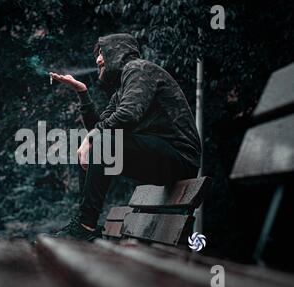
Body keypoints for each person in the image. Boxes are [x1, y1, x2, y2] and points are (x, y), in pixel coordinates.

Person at [49, 33, 201, 241]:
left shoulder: (139, 69)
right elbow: (99, 128)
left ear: (117, 51)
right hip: (163, 158)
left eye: (101, 53)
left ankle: (85, 226)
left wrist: (93, 138)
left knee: (101, 144)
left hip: (180, 157)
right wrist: (82, 92)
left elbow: (128, 116)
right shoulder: (121, 90)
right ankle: (85, 224)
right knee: (99, 146)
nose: (97, 60)